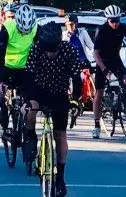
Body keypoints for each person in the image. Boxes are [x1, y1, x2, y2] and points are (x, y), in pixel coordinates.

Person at [23, 21, 82, 197]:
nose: (50, 54)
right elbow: (28, 77)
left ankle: (61, 179)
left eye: (53, 49)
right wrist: (27, 100)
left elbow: (76, 78)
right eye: (46, 49)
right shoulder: (36, 49)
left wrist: (76, 100)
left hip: (59, 93)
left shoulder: (68, 50)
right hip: (39, 90)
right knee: (30, 109)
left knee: (60, 135)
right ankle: (30, 137)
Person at [91, 5, 126, 139]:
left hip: (115, 60)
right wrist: (104, 69)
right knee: (99, 92)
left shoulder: (123, 28)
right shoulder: (101, 30)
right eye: (112, 21)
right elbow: (95, 54)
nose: (115, 24)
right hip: (102, 61)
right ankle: (97, 125)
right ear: (107, 20)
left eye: (117, 20)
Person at [0, 3, 37, 129]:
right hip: (7, 66)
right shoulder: (7, 27)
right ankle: (3, 110)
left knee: (30, 95)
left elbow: (39, 52)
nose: (24, 33)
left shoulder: (35, 28)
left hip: (25, 67)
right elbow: (1, 56)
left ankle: (27, 129)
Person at [63, 14, 96, 112]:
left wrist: (96, 56)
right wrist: (69, 35)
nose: (70, 26)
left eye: (72, 24)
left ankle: (91, 97)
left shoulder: (82, 32)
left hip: (83, 60)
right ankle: (74, 100)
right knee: (74, 79)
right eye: (68, 24)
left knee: (93, 76)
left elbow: (91, 46)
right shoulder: (65, 35)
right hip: (70, 63)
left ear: (76, 24)